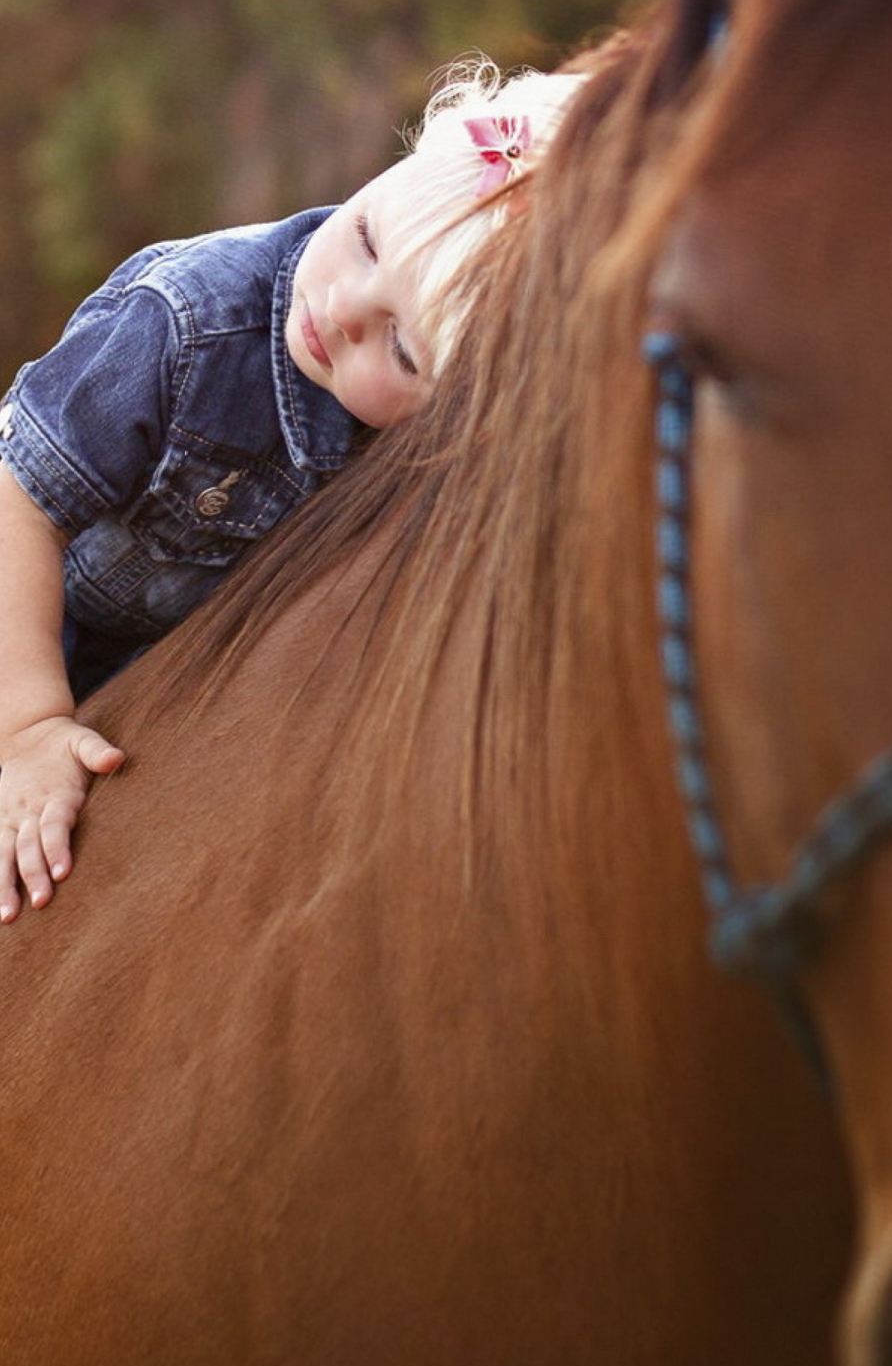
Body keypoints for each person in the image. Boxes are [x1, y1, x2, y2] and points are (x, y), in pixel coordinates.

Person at [0, 58, 583, 923]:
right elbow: (19, 499)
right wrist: (28, 727)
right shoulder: (191, 321)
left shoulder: (441, 456)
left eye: (403, 348)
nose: (344, 304)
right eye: (369, 242)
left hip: (166, 702)